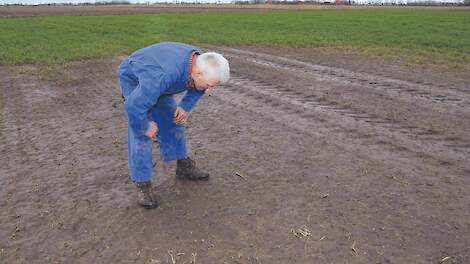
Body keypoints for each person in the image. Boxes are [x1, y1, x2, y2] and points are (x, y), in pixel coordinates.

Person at [118, 42, 230, 209]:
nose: (209, 90)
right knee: (141, 133)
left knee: (174, 121)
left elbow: (197, 86)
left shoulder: (200, 61)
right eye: (209, 85)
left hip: (162, 80)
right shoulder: (161, 76)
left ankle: (183, 167)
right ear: (197, 73)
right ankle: (143, 185)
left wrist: (185, 106)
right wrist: (145, 126)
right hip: (136, 78)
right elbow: (134, 106)